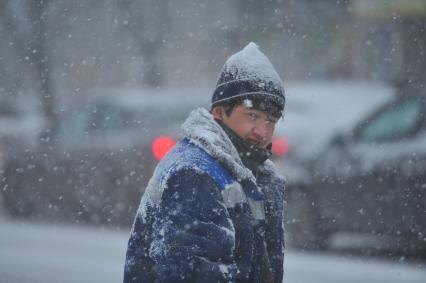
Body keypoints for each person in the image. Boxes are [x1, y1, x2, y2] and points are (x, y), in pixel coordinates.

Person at [124, 42, 286, 283]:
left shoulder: (252, 171)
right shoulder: (194, 173)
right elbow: (192, 274)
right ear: (219, 112)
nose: (262, 131)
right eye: (252, 115)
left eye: (271, 121)